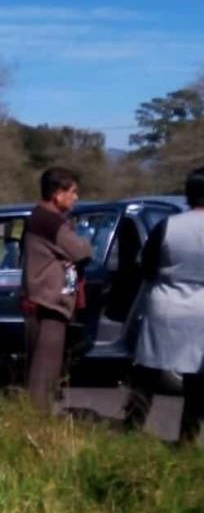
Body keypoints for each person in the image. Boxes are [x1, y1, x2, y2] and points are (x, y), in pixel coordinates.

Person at [124, 166, 204, 445]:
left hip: (166, 303)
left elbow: (146, 266)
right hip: (201, 309)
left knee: (147, 370)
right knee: (197, 379)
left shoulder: (168, 225)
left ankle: (133, 427)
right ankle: (187, 438)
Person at [21, 167, 93, 410]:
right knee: (44, 374)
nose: (76, 197)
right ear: (57, 194)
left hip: (40, 300)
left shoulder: (40, 217)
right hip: (48, 303)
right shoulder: (50, 221)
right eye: (72, 192)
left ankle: (36, 419)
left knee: (42, 370)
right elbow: (81, 250)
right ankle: (36, 424)